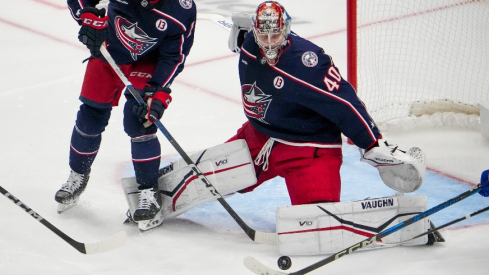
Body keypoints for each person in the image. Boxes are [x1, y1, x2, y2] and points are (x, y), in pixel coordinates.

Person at [55, 0, 196, 223]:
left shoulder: (181, 9)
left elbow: (174, 57)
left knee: (139, 120)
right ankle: (77, 175)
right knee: (90, 115)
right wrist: (87, 17)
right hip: (110, 48)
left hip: (148, 61)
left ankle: (149, 192)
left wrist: (157, 91)